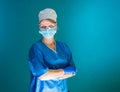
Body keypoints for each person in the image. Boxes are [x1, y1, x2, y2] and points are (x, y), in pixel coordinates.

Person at [28, 8, 77, 92]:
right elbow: (42, 75)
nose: (47, 29)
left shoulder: (63, 47)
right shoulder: (36, 48)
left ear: (56, 26)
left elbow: (73, 69)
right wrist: (64, 70)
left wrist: (52, 73)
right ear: (39, 27)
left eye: (50, 26)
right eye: (43, 26)